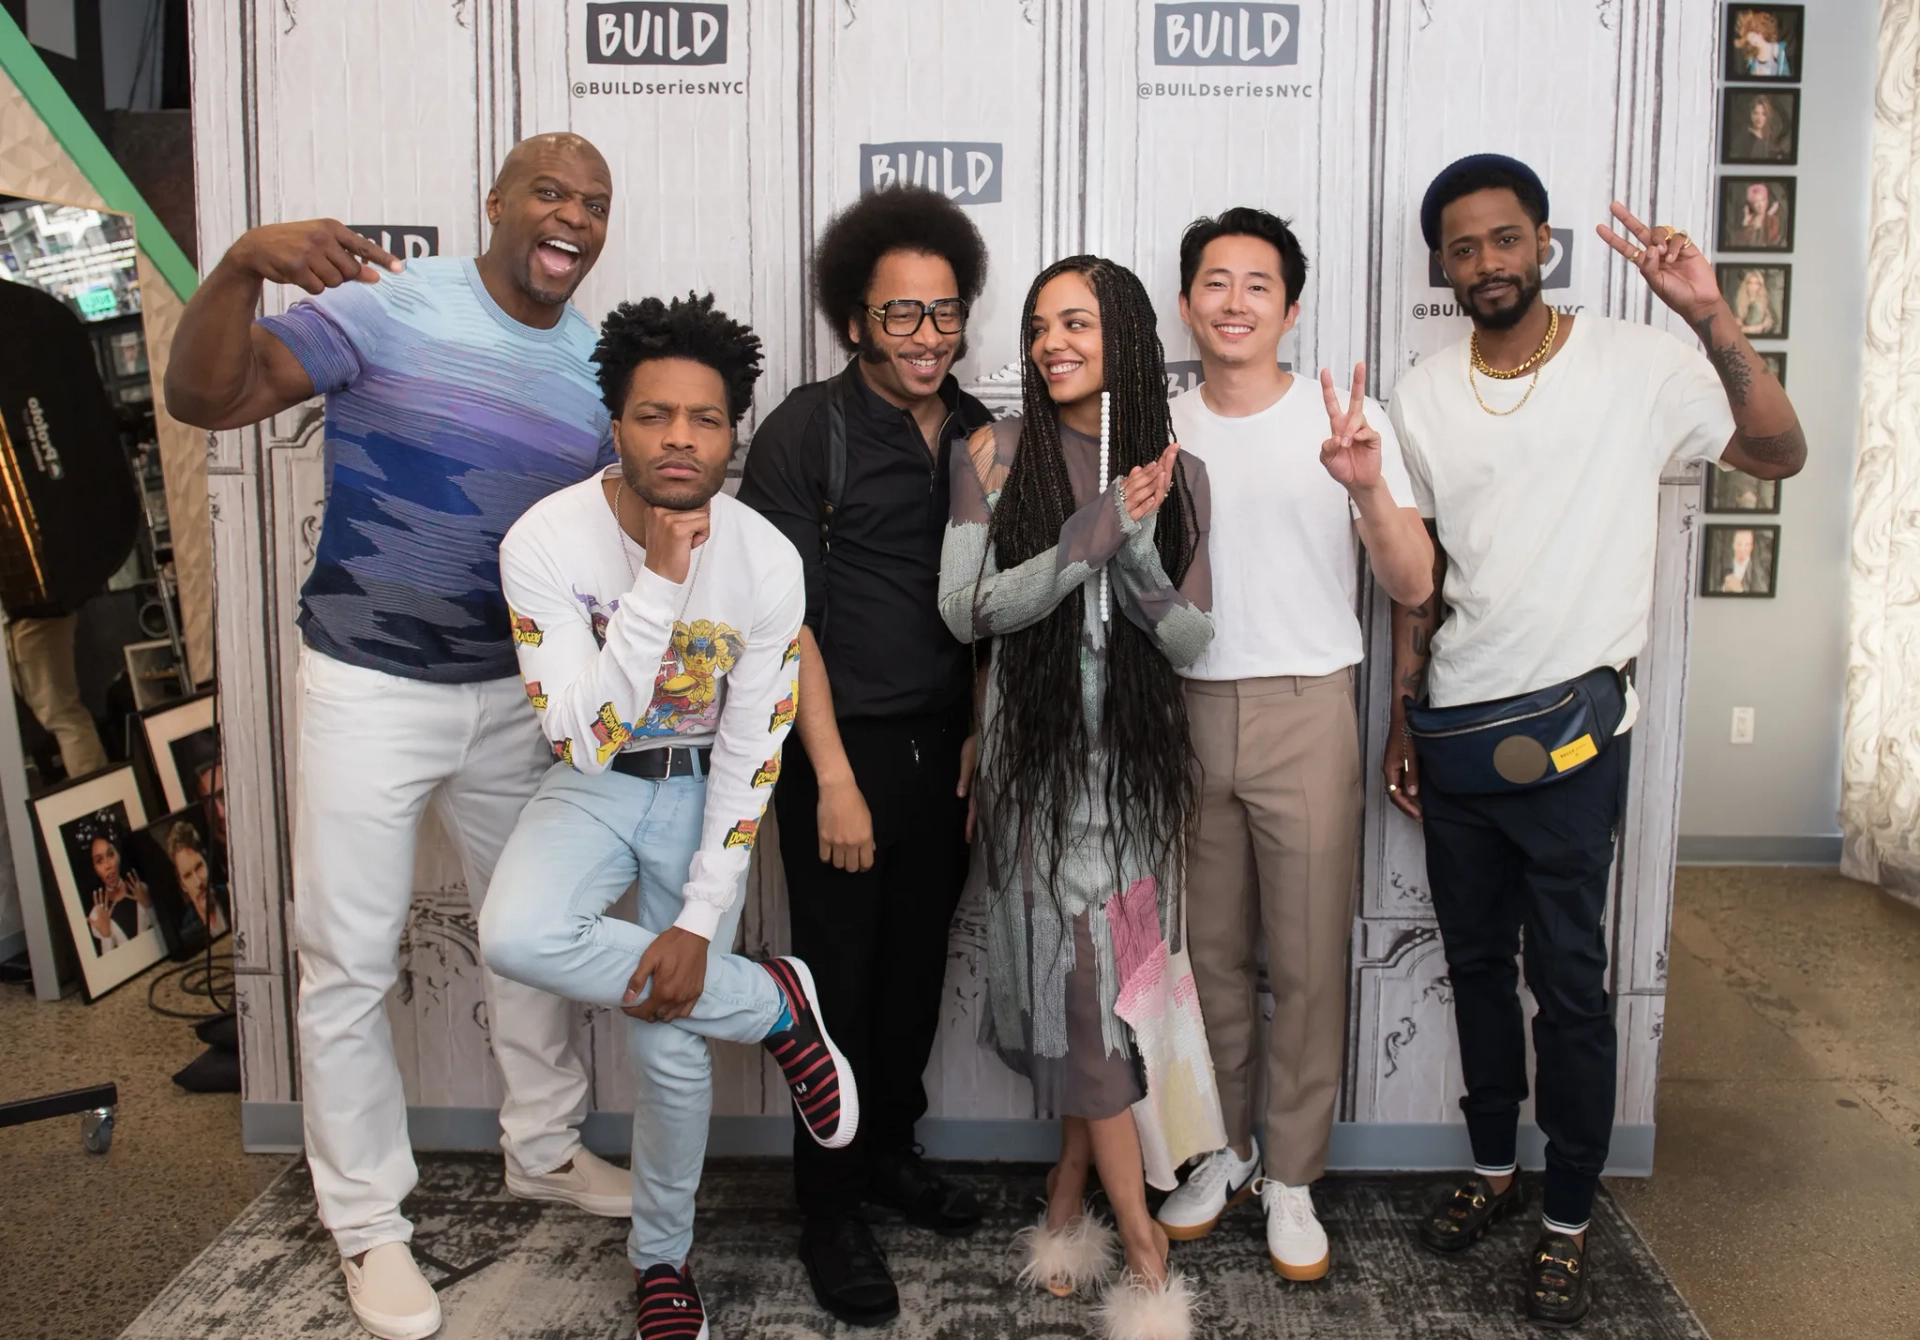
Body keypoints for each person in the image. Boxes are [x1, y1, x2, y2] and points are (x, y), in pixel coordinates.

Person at [163, 133, 627, 1340]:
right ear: (494, 201)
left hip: (511, 699)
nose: (570, 215)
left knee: (532, 936)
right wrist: (239, 266)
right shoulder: (390, 307)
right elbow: (205, 396)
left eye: (593, 202)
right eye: (549, 190)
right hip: (368, 685)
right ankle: (369, 1222)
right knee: (348, 963)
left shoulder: (596, 368)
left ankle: (545, 1148)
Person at [1386, 153, 1805, 1327]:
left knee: (1568, 981)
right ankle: (1493, 1172)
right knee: (1472, 965)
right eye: (1464, 248)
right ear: (1442, 266)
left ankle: (1568, 1214)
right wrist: (1402, 713)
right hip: (1458, 728)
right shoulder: (1421, 392)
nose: (1487, 263)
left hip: (1574, 736)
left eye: (1505, 239)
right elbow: (1419, 581)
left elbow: (1777, 452)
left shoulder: (1636, 362)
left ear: (1546, 244)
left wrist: (1710, 312)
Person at [479, 292, 860, 1340]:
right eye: (654, 416)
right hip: (598, 782)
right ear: (617, 425)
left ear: (733, 429)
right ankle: (774, 1003)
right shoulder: (545, 541)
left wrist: (698, 920)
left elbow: (752, 749)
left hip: (703, 792)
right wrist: (657, 577)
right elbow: (584, 739)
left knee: (667, 1037)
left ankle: (663, 1259)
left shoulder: (768, 561)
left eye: (703, 418)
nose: (679, 438)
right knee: (515, 930)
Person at [1149, 209, 1433, 1280]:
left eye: (1257, 284)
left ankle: (1296, 1177)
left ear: (1290, 306)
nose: (1233, 301)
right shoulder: (1158, 425)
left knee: (1308, 958)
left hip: (1309, 703)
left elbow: (1412, 585)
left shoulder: (1351, 420)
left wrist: (1363, 483)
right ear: (1187, 304)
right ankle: (1221, 1151)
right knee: (1208, 955)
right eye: (1213, 282)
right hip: (1182, 707)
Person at [939, 255, 1214, 1340]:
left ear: (1128, 339)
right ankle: (1142, 1247)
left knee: (1105, 1006)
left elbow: (1191, 637)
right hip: (1037, 781)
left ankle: (1064, 1201)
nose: (1053, 341)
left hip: (1136, 784)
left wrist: (1135, 551)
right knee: (1082, 991)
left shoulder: (1178, 474)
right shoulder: (993, 455)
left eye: (1080, 322)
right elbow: (965, 610)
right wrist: (1077, 544)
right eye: (1042, 323)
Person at [736, 184, 994, 1325]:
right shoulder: (808, 428)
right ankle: (829, 1206)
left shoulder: (983, 427)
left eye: (945, 313)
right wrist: (831, 774)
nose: (927, 336)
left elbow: (994, 599)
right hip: (838, 752)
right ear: (854, 321)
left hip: (949, 751)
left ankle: (890, 1152)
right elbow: (781, 617)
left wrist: (985, 727)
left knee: (914, 974)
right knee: (836, 991)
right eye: (902, 316)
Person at [82, 829, 153, 950]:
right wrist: (106, 935)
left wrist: (149, 907)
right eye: (99, 861)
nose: (107, 865)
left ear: (118, 855)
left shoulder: (144, 890)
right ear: (94, 869)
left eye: (110, 854)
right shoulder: (97, 915)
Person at [167, 820, 228, 941]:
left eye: (199, 867)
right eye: (188, 875)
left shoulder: (232, 897)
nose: (198, 882)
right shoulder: (187, 935)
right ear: (182, 885)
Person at [1727, 93, 1791, 162]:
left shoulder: (1769, 136)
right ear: (1751, 114)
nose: (1759, 118)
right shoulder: (1745, 137)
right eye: (1755, 113)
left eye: (1763, 114)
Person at [1732, 9, 1791, 77]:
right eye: (1749, 40)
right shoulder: (1753, 57)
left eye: (1753, 37)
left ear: (1761, 31)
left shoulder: (1776, 48)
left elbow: (1785, 74)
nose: (1752, 42)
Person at [1731, 182, 1785, 249]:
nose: (1760, 205)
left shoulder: (1773, 219)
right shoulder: (1748, 221)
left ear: (1767, 201)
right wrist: (1746, 225)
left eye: (1763, 200)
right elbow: (1738, 245)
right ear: (1751, 204)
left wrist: (1768, 217)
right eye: (1756, 202)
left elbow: (1773, 242)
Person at [1717, 528, 1767, 594]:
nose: (1742, 549)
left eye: (1747, 545)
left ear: (1751, 547)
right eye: (1739, 544)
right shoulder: (1722, 564)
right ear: (1733, 545)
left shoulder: (1757, 570)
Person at [1733, 268, 1777, 335]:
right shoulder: (1739, 302)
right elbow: (1739, 329)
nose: (1752, 286)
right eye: (1750, 283)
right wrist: (1761, 326)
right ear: (1746, 284)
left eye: (1756, 283)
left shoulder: (1765, 302)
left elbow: (1770, 324)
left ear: (1760, 286)